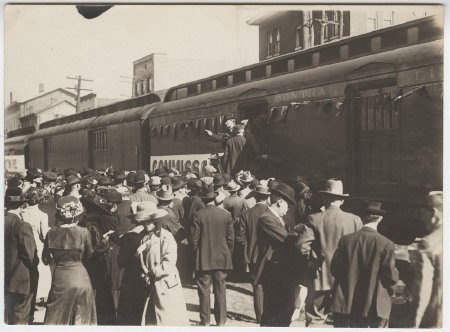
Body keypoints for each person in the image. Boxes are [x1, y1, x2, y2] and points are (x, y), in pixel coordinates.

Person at [301, 178, 363, 325]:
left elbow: (303, 247)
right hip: (347, 279)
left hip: (320, 277)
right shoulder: (355, 220)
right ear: (341, 201)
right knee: (343, 321)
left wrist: (314, 263)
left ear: (325, 199)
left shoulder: (313, 219)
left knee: (316, 319)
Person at [330, 201, 398, 328]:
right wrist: (391, 291)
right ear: (380, 219)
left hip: (347, 302)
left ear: (362, 218)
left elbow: (335, 269)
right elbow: (390, 276)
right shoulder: (386, 244)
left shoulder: (346, 240)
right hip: (373, 304)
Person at [42, 196, 96, 325]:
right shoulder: (84, 232)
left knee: (56, 315)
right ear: (77, 215)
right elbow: (89, 255)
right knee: (82, 316)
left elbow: (45, 259)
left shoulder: (51, 233)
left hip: (60, 276)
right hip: (80, 276)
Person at [133, 202, 189, 326]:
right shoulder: (143, 237)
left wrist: (153, 273)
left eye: (149, 221)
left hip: (164, 283)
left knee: (167, 318)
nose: (146, 224)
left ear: (155, 220)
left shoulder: (166, 236)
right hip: (151, 284)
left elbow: (169, 261)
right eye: (143, 222)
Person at [254, 183, 299, 327]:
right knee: (273, 314)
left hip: (281, 272)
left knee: (284, 311)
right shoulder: (266, 218)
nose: (288, 209)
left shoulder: (278, 219)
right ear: (280, 202)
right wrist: (302, 232)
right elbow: (286, 239)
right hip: (273, 272)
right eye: (288, 205)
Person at [191, 185, 234, 326]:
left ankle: (205, 321)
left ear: (203, 200)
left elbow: (194, 239)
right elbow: (230, 239)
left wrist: (195, 254)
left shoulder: (198, 214)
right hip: (222, 256)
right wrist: (228, 253)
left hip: (203, 257)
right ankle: (221, 321)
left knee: (204, 291)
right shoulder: (226, 215)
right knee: (220, 289)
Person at [80, 191, 121, 325]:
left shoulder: (83, 220)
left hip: (85, 258)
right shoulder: (108, 219)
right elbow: (116, 238)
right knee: (103, 286)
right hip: (101, 256)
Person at [4, 187, 39, 325]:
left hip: (5, 279)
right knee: (20, 319)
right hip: (20, 281)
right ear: (22, 205)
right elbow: (30, 256)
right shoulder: (22, 226)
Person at [409, 191, 442, 328]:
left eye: (423, 214)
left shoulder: (429, 243)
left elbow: (422, 291)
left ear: (434, 213)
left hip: (436, 320)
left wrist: (415, 324)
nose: (421, 219)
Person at [238, 184, 270, 323]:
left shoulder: (247, 213)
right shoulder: (270, 212)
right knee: (269, 284)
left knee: (257, 285)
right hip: (269, 255)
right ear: (267, 197)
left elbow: (241, 237)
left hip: (252, 254)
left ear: (255, 197)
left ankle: (259, 316)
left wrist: (247, 246)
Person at [21, 188, 51, 317]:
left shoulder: (21, 213)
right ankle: (38, 302)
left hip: (23, 246)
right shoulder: (42, 215)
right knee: (40, 274)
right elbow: (44, 235)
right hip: (37, 247)